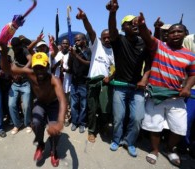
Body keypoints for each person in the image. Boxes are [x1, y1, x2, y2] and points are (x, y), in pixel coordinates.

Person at [137, 13, 195, 166]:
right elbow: (147, 37)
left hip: (177, 97)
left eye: (179, 31)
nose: (175, 34)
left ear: (185, 34)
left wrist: (187, 87)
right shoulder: (159, 46)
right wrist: (142, 25)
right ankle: (155, 150)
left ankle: (169, 149)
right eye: (172, 32)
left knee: (180, 128)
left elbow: (193, 74)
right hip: (156, 95)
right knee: (154, 126)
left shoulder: (190, 55)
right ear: (167, 35)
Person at [0, 49, 67, 167]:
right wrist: (4, 52)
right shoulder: (30, 73)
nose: (39, 71)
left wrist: (60, 122)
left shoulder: (54, 80)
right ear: (33, 67)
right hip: (40, 103)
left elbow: (62, 100)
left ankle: (53, 150)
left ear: (47, 66)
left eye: (42, 67)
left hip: (53, 104)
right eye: (36, 67)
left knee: (54, 130)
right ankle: (40, 144)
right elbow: (7, 69)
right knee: (35, 122)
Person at [106, 0, 150, 157]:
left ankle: (129, 141)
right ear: (123, 27)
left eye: (136, 23)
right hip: (119, 86)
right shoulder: (119, 41)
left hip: (136, 88)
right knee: (118, 118)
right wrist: (113, 12)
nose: (134, 25)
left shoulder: (143, 43)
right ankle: (116, 139)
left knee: (138, 118)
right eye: (130, 23)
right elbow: (112, 30)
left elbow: (150, 63)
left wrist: (144, 78)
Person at [76, 8, 115, 143]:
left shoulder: (114, 52)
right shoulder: (96, 44)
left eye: (109, 37)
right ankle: (92, 131)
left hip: (105, 83)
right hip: (92, 81)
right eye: (104, 37)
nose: (107, 39)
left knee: (105, 109)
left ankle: (102, 125)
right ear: (101, 38)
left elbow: (117, 68)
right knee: (92, 109)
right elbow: (91, 31)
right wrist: (84, 18)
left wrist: (110, 77)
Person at [7, 37, 33, 135]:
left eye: (17, 46)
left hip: (25, 83)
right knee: (11, 105)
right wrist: (12, 75)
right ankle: (17, 124)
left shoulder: (24, 50)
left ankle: (27, 123)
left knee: (26, 105)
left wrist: (22, 71)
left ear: (20, 45)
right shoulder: (10, 52)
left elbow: (30, 61)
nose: (15, 48)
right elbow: (7, 65)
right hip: (14, 84)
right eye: (13, 47)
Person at [68, 33, 91, 133]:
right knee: (73, 104)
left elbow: (88, 64)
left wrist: (76, 55)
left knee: (83, 105)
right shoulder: (73, 51)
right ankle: (74, 122)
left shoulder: (88, 51)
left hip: (83, 82)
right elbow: (70, 65)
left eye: (78, 40)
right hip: (74, 82)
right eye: (75, 40)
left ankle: (82, 123)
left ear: (84, 40)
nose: (76, 42)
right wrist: (70, 55)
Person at [51, 38, 72, 127]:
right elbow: (51, 69)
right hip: (58, 81)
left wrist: (65, 70)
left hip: (67, 81)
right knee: (57, 101)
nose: (65, 45)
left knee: (66, 101)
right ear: (61, 44)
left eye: (67, 43)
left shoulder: (71, 55)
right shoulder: (57, 54)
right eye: (63, 43)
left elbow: (73, 69)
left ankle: (67, 117)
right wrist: (57, 64)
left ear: (69, 45)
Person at [183, 34, 195, 159]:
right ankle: (183, 146)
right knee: (188, 119)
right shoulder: (189, 39)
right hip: (191, 88)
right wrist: (186, 86)